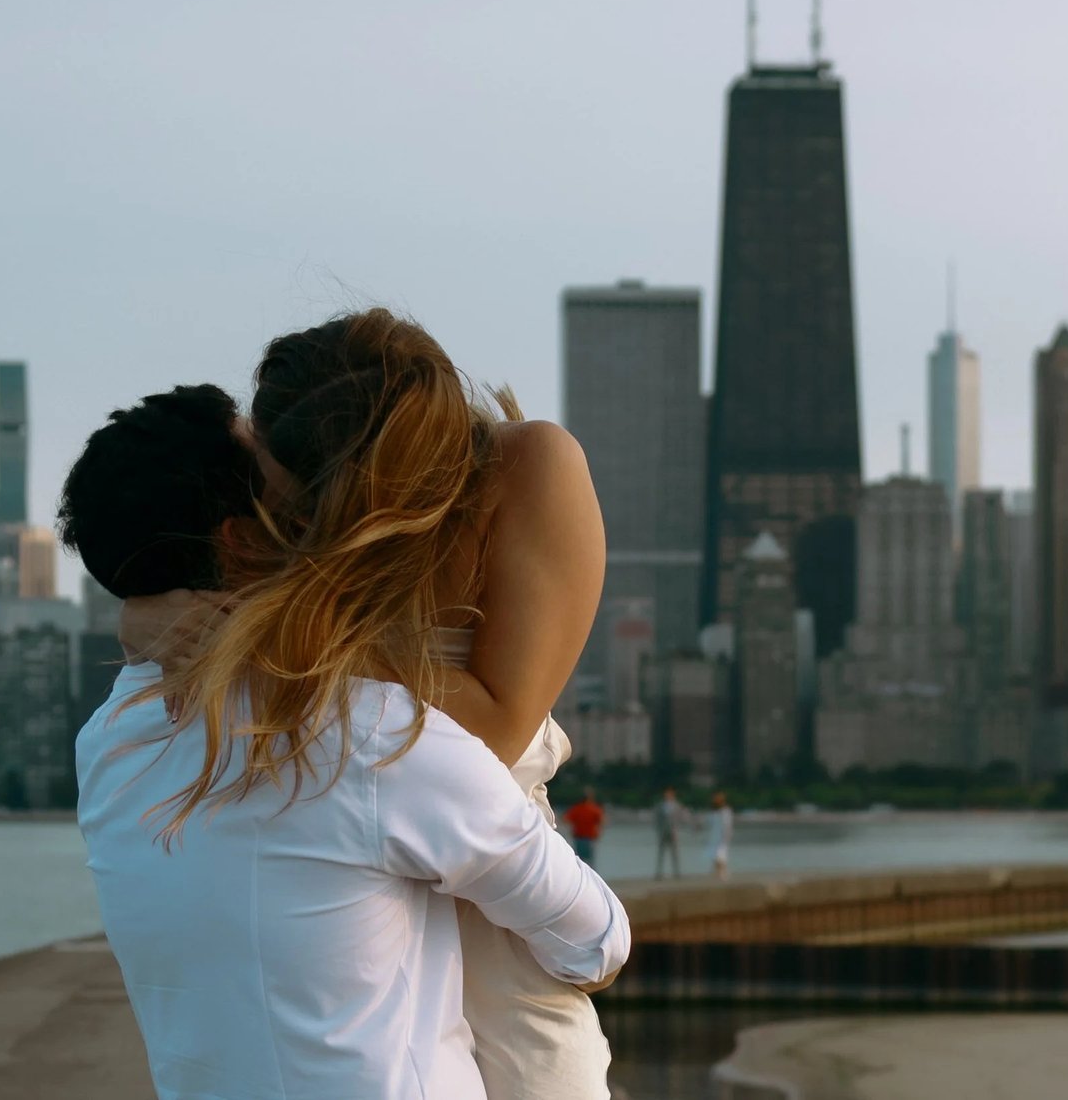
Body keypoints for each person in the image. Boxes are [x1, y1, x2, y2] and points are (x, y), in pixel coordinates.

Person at [64, 381, 630, 1100]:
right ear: (242, 537)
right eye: (272, 473)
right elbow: (596, 941)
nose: (304, 490)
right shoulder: (366, 730)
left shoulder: (104, 744)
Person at [563, 788, 605, 867]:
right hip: (590, 837)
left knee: (579, 860)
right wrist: (599, 832)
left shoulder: (576, 809)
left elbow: (565, 819)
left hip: (578, 837)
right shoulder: (594, 809)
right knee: (590, 861)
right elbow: (602, 822)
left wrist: (572, 828)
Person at [653, 788, 686, 879]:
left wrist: (677, 830)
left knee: (674, 853)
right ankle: (659, 873)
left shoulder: (677, 806)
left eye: (669, 794)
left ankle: (677, 872)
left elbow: (680, 818)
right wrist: (658, 830)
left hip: (673, 831)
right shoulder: (661, 805)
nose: (667, 796)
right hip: (663, 831)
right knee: (661, 853)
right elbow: (657, 819)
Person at [707, 791, 734, 880]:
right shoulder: (713, 811)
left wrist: (727, 836)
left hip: (722, 837)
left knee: (721, 856)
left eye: (717, 799)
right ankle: (718, 873)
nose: (715, 800)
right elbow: (710, 823)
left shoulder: (726, 811)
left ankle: (723, 873)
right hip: (714, 837)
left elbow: (727, 825)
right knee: (715, 856)